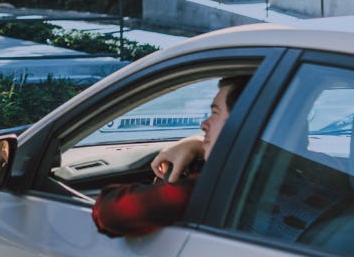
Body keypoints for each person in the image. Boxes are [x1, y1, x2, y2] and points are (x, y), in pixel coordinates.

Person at [91, 75, 249, 237]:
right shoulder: (266, 171)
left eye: (215, 113)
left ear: (240, 123)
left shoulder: (210, 189)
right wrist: (199, 145)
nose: (203, 124)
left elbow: (111, 213)